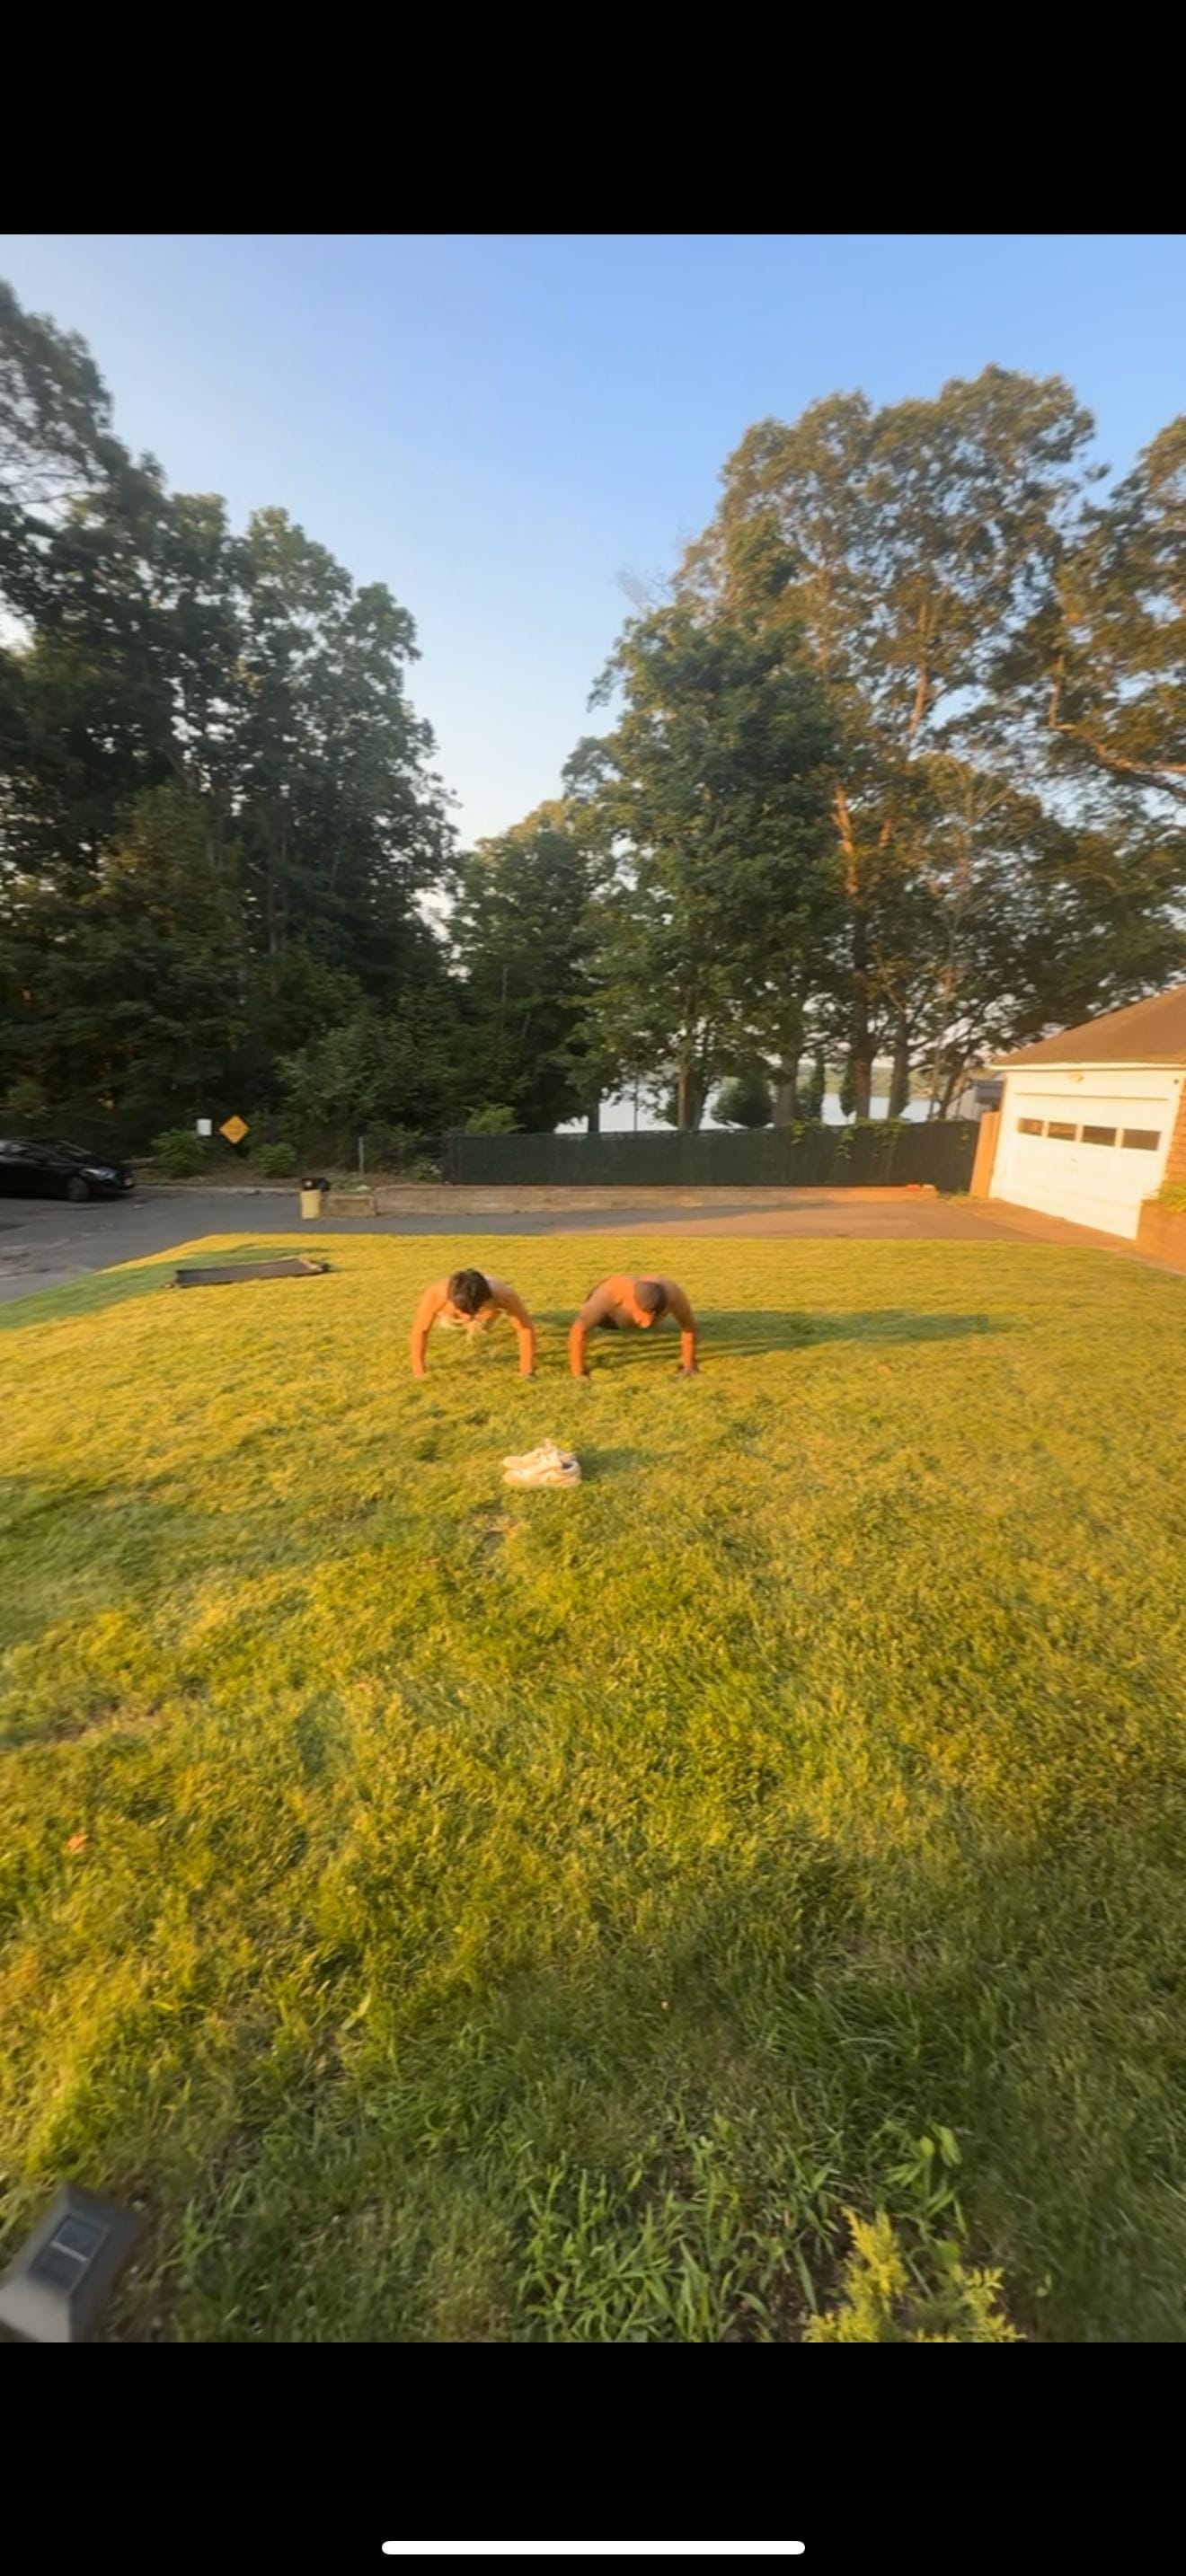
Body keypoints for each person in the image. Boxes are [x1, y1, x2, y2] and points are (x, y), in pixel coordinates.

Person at [410, 1266, 535, 1378]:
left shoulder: (503, 1295)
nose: (467, 1317)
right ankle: (462, 1315)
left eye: (473, 1311)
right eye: (460, 1311)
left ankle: (478, 1316)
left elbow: (525, 1329)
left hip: (487, 1314)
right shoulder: (436, 1293)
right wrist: (418, 1371)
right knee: (453, 1320)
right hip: (450, 1318)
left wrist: (526, 1370)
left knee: (483, 1325)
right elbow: (420, 1330)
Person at [568, 1273, 697, 1379]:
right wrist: (579, 1372)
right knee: (589, 1316)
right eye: (642, 1317)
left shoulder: (672, 1292)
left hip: (631, 1308)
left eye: (655, 1317)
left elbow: (689, 1327)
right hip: (610, 1320)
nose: (646, 1324)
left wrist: (689, 1366)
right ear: (631, 1302)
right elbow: (578, 1330)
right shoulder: (610, 1293)